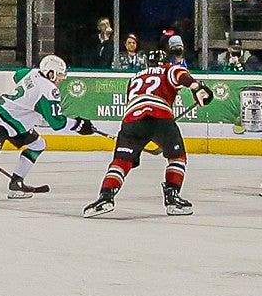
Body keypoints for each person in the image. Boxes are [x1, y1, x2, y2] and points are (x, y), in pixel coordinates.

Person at [85, 35, 212, 216]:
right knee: (177, 157)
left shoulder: (135, 78)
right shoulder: (168, 69)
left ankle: (105, 197)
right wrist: (197, 88)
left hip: (131, 121)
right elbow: (181, 75)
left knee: (121, 162)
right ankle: (172, 198)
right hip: (160, 116)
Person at [0, 55, 99, 199]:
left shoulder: (33, 73)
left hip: (14, 123)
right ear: (50, 74)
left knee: (38, 144)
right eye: (59, 76)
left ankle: (16, 183)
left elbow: (18, 75)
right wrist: (79, 125)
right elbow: (57, 124)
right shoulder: (48, 90)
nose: (60, 80)